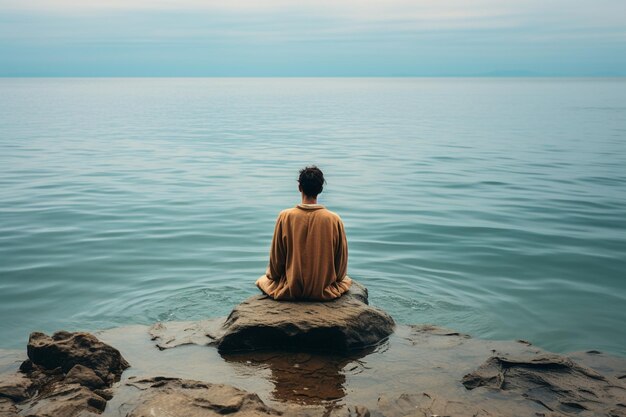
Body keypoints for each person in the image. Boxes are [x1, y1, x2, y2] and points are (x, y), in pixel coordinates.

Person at [255, 166, 352, 300]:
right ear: (321, 189)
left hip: (291, 289)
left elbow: (276, 265)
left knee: (262, 280)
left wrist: (273, 276)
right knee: (347, 280)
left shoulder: (285, 216)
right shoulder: (334, 219)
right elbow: (341, 269)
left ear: (299, 187)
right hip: (323, 290)